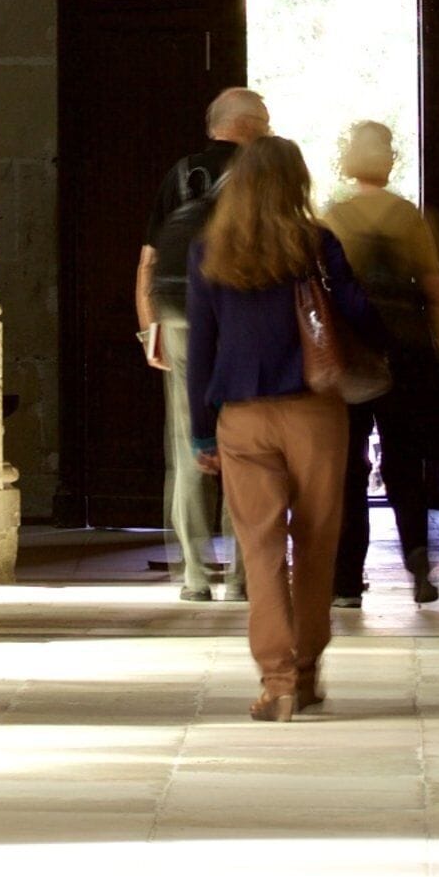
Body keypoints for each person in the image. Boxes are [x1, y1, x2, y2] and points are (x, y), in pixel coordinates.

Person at [186, 134, 381, 720]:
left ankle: (276, 681)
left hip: (241, 417)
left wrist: (201, 430)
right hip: (314, 411)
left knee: (261, 547)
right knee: (318, 543)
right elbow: (358, 314)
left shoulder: (207, 251)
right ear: (297, 184)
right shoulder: (316, 244)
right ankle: (307, 669)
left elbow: (202, 345)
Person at [321, 120, 439, 604]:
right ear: (390, 160)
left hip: (352, 354)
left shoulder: (332, 218)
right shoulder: (409, 218)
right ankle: (418, 559)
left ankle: (344, 584)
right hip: (407, 355)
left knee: (348, 468)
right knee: (405, 463)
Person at [139, 87, 267, 600]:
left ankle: (194, 575)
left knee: (187, 446)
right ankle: (241, 577)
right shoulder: (263, 173)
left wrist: (151, 328)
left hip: (180, 317)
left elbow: (148, 260)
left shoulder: (181, 173)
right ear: (256, 124)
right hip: (239, 317)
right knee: (245, 446)